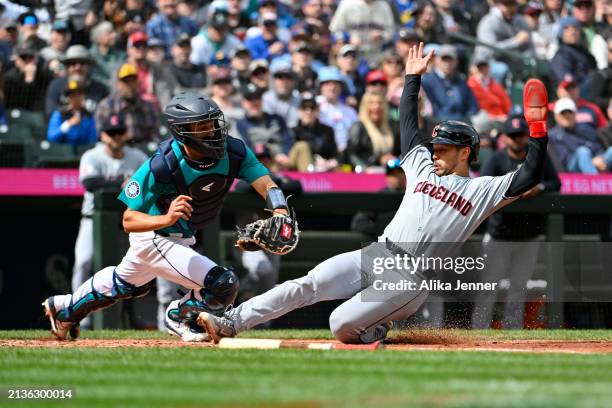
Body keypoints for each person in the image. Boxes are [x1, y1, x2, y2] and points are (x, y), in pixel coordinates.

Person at [196, 42, 550, 345]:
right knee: (307, 283)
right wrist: (413, 79)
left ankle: (374, 328)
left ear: (466, 152)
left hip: (411, 277)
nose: (435, 152)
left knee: (339, 324)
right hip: (378, 253)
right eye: (435, 146)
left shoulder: (482, 190)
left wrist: (537, 130)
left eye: (442, 148)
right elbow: (408, 125)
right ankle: (231, 322)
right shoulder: (421, 166)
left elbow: (530, 172)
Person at [42, 91, 297, 342]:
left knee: (126, 283)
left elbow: (267, 185)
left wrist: (280, 210)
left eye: (213, 123)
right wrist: (166, 219)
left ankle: (63, 309)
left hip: (181, 236)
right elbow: (128, 220)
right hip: (154, 236)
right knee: (223, 285)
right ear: (182, 131)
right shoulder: (162, 164)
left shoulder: (234, 151)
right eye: (202, 126)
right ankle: (178, 316)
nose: (212, 131)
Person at [471, 116, 561, 329]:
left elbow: (556, 182)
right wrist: (514, 190)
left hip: (529, 235)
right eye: (512, 136)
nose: (516, 140)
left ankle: (513, 330)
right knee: (488, 286)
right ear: (505, 138)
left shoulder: (537, 158)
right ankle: (478, 329)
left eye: (520, 135)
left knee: (518, 287)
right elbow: (482, 186)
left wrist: (539, 187)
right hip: (499, 234)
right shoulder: (496, 159)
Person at [71, 113, 147, 330]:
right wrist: (123, 184)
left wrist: (129, 184)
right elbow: (90, 182)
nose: (115, 137)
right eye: (111, 133)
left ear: (126, 134)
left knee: (135, 270)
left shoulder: (137, 156)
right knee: (83, 263)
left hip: (129, 221)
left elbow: (149, 182)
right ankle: (78, 316)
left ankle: (134, 320)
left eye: (119, 132)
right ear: (102, 135)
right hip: (93, 219)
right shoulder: (91, 156)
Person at [95, 63, 160, 145]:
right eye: (126, 81)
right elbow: (101, 135)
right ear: (118, 84)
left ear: (138, 82)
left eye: (133, 80)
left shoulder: (148, 106)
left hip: (143, 151)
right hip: (117, 149)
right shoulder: (106, 106)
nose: (130, 85)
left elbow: (156, 135)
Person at [548, 97, 612, 173]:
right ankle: (594, 181)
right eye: (563, 113)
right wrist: (592, 161)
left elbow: (597, 147)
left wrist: (599, 158)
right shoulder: (553, 136)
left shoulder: (586, 130)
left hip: (594, 162)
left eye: (569, 112)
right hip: (571, 170)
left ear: (575, 113)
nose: (567, 116)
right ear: (556, 116)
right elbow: (565, 159)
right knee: (582, 152)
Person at [421, 44, 479, 122]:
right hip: (437, 125)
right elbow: (428, 109)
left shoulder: (461, 80)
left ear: (456, 61)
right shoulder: (427, 81)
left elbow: (473, 106)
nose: (447, 63)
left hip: (462, 124)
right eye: (444, 59)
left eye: (450, 59)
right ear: (437, 60)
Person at [345, 90, 396, 170]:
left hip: (387, 174)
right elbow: (350, 154)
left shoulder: (391, 127)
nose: (376, 107)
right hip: (365, 176)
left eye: (379, 103)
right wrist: (364, 168)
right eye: (371, 103)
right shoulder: (358, 127)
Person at [291, 93, 338, 171]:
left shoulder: (327, 131)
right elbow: (290, 157)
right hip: (300, 171)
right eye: (304, 108)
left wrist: (329, 162)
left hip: (325, 168)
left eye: (312, 108)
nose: (308, 111)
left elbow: (334, 153)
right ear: (299, 111)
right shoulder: (292, 131)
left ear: (317, 110)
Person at [316, 66, 358, 151]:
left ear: (341, 87)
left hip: (345, 157)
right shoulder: (311, 106)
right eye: (327, 84)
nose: (332, 88)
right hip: (320, 155)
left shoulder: (350, 111)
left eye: (336, 84)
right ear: (321, 87)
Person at [47, 80, 97, 147]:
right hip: (63, 152)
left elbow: (92, 139)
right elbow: (51, 137)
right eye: (73, 95)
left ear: (84, 96)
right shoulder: (59, 114)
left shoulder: (89, 116)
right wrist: (68, 124)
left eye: (79, 94)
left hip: (83, 151)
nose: (76, 98)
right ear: (68, 97)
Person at [263, 62, 301, 128]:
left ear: (293, 81)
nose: (284, 82)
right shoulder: (267, 98)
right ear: (273, 81)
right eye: (280, 77)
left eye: (288, 77)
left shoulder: (298, 98)